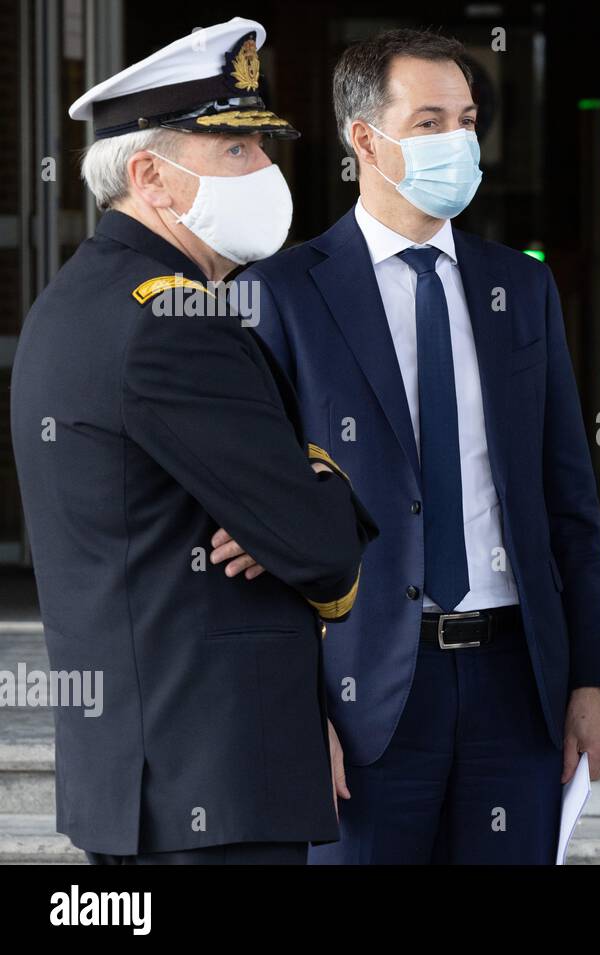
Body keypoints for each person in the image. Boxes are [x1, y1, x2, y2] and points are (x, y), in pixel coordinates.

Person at [241, 28, 600, 864]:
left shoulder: (519, 285)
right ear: (364, 140)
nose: (459, 141)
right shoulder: (281, 296)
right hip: (362, 693)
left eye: (469, 118)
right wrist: (297, 714)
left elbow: (568, 500)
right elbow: (262, 536)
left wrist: (593, 679)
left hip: (514, 686)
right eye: (430, 122)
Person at [10, 17, 378, 864]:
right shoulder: (177, 323)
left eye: (264, 148)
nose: (269, 173)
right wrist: (318, 489)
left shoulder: (77, 299)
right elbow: (320, 549)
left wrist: (282, 507)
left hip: (149, 781)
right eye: (238, 153)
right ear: (151, 176)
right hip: (212, 791)